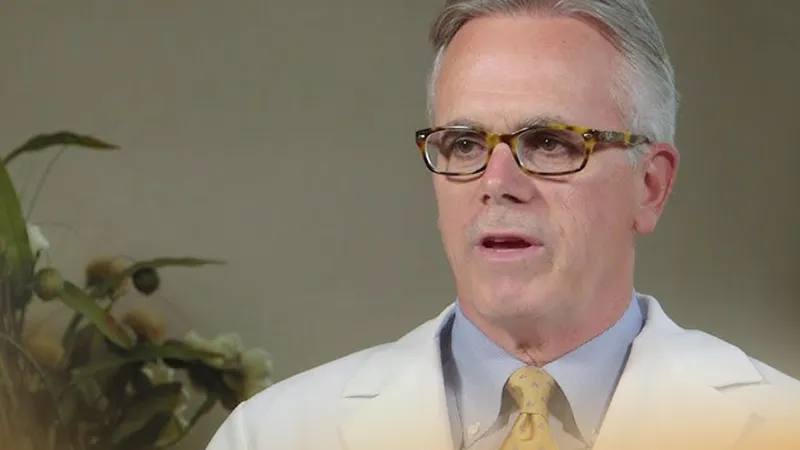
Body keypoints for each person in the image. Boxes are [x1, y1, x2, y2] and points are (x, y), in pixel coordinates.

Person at [205, 1, 800, 449]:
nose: (497, 181)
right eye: (465, 143)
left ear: (650, 186)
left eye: (550, 143)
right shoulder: (274, 434)